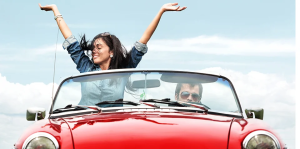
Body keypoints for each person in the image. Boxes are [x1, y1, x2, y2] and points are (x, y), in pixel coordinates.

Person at [39, 3, 187, 106]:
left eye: (98, 47)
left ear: (111, 52)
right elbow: (71, 42)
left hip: (114, 123)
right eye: (93, 48)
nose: (93, 51)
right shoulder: (86, 68)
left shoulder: (123, 70)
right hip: (85, 123)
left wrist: (160, 11)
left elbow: (142, 42)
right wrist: (55, 10)